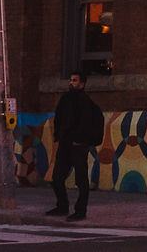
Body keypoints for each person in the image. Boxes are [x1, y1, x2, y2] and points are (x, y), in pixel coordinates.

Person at [50, 71, 104, 221]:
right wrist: (59, 136)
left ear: (82, 83)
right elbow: (59, 117)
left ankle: (81, 210)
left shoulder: (85, 101)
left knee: (81, 180)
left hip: (78, 145)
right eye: (71, 80)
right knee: (57, 177)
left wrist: (79, 139)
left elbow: (86, 123)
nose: (71, 83)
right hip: (65, 143)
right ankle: (62, 206)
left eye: (74, 80)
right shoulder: (66, 99)